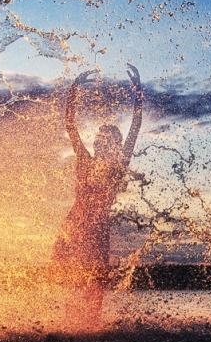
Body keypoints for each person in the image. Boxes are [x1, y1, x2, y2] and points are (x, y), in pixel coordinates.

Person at [51, 64, 144, 328]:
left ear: (115, 146)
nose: (102, 143)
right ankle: (71, 323)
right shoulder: (84, 159)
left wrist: (138, 95)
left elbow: (135, 128)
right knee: (67, 274)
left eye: (109, 140)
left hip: (97, 228)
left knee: (96, 280)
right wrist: (74, 89)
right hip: (74, 224)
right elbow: (70, 125)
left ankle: (90, 326)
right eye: (101, 139)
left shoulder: (119, 166)